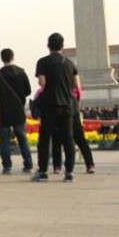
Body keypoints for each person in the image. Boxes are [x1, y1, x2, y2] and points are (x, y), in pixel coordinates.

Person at [32, 32, 80, 183]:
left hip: (49, 106)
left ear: (48, 45)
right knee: (68, 138)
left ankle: (43, 171)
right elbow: (76, 85)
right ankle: (69, 172)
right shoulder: (70, 63)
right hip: (67, 105)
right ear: (63, 46)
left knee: (45, 139)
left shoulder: (43, 62)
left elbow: (42, 83)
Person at [0, 48, 33, 174]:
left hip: (3, 110)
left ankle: (7, 166)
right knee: (21, 137)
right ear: (13, 57)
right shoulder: (21, 73)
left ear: (2, 58)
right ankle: (28, 164)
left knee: (4, 138)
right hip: (18, 109)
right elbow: (28, 90)